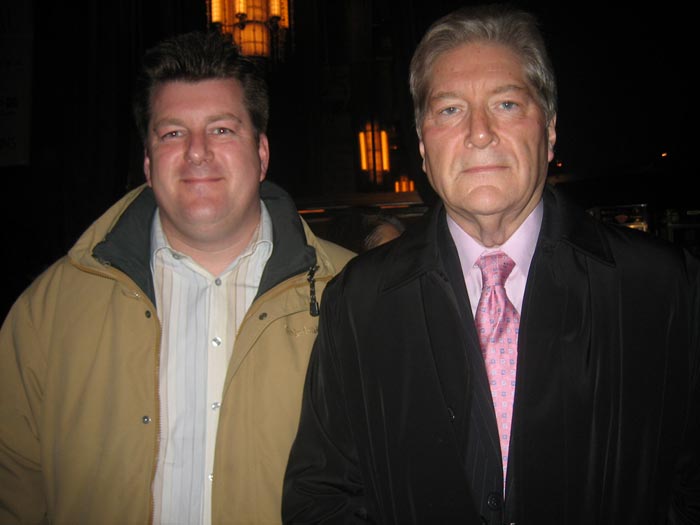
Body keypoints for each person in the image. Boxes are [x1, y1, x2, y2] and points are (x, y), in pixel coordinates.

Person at [282, 4, 700, 524]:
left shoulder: (662, 289)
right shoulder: (357, 303)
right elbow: (322, 497)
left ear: (549, 129)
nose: (479, 132)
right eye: (450, 110)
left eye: (506, 104)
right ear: (422, 145)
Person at [0, 30, 354, 525]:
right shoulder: (50, 310)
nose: (196, 152)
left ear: (262, 153)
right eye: (172, 134)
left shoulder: (354, 295)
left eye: (222, 130)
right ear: (148, 164)